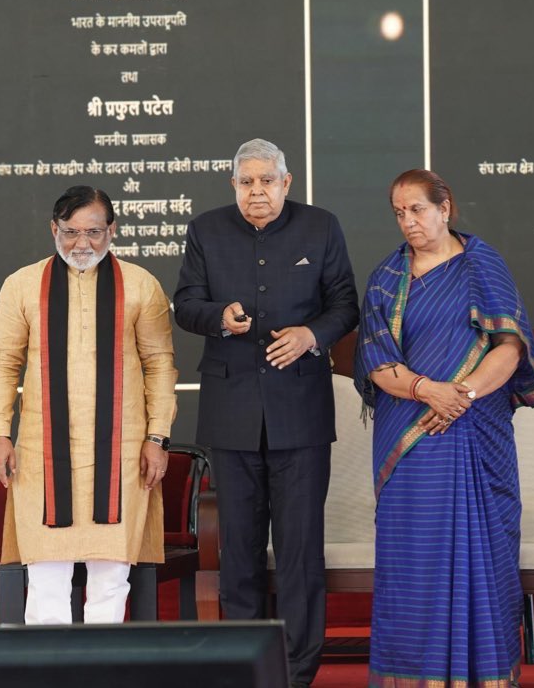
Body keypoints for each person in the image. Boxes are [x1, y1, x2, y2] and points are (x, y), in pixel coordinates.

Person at [173, 138, 359, 687]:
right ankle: (245, 669)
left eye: (267, 181)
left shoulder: (320, 226)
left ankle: (299, 672)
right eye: (246, 182)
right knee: (240, 552)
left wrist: (310, 335)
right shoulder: (206, 230)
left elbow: (345, 303)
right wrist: (217, 318)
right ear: (233, 186)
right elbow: (185, 303)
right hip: (230, 414)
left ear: (287, 182)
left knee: (301, 553)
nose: (257, 191)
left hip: (300, 412)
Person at [354, 169, 534, 687]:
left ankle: (479, 674)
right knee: (413, 564)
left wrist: (460, 396)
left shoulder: (482, 265)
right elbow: (376, 361)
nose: (408, 222)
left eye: (417, 209)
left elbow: (509, 347)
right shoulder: (386, 277)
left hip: (473, 430)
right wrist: (426, 391)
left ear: (446, 207)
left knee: (481, 557)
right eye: (399, 212)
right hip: (408, 434)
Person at [0, 185, 178, 625]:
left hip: (123, 452)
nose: (82, 244)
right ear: (54, 229)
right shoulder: (22, 285)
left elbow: (161, 366)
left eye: (94, 232)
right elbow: (3, 363)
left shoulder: (142, 285)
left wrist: (156, 437)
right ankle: (50, 672)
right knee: (46, 581)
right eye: (71, 232)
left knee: (111, 580)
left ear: (112, 230)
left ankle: (102, 671)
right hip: (41, 453)